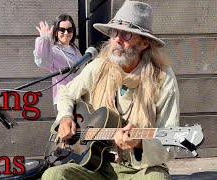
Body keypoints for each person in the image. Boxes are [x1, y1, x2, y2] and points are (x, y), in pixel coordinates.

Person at [42, 1, 180, 180]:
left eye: (127, 34)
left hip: (140, 168)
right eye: (114, 32)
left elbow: (171, 142)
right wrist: (66, 117)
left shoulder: (162, 77)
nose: (117, 39)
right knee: (54, 175)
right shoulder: (99, 66)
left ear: (144, 43)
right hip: (95, 165)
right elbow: (66, 92)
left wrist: (139, 143)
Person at [33, 13, 82, 114]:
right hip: (64, 101)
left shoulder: (76, 50)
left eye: (69, 29)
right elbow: (42, 61)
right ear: (56, 32)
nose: (66, 33)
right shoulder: (53, 50)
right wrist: (44, 39)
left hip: (80, 98)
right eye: (62, 29)